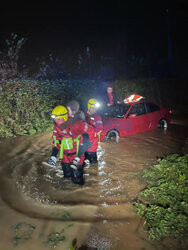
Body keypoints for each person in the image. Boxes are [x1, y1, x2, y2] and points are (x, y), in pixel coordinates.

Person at [42, 105, 85, 185]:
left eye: (59, 118)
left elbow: (85, 139)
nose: (56, 120)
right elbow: (56, 142)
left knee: (77, 181)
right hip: (65, 156)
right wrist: (53, 157)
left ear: (65, 117)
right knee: (66, 178)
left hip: (76, 156)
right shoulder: (56, 126)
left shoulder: (75, 124)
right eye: (55, 118)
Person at [55, 100, 96, 169]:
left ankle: (78, 159)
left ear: (73, 110)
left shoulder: (77, 117)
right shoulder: (74, 116)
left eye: (68, 110)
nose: (67, 112)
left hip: (84, 141)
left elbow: (65, 125)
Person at [84, 98, 103, 163]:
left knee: (94, 166)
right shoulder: (83, 114)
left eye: (95, 108)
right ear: (89, 107)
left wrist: (89, 127)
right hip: (82, 147)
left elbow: (99, 129)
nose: (94, 110)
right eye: (93, 108)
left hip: (92, 147)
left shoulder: (97, 117)